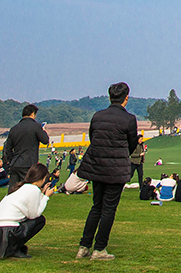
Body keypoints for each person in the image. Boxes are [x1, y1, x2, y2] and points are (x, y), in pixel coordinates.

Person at [74, 82, 139, 261]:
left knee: (97, 206)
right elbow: (132, 143)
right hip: (116, 168)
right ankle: (100, 248)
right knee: (109, 209)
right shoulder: (129, 119)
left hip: (97, 166)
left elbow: (93, 137)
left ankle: (84, 246)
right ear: (126, 98)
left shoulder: (98, 116)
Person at [0, 164, 56, 259]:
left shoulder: (20, 187)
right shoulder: (33, 189)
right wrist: (46, 197)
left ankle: (13, 248)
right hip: (7, 229)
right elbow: (34, 215)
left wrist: (42, 194)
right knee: (40, 220)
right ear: (42, 178)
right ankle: (14, 248)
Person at [2, 104, 51, 194]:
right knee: (27, 191)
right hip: (28, 163)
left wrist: (11, 160)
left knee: (12, 191)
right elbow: (45, 140)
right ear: (32, 114)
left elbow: (7, 148)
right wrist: (43, 130)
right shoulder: (36, 126)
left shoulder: (14, 128)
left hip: (15, 163)